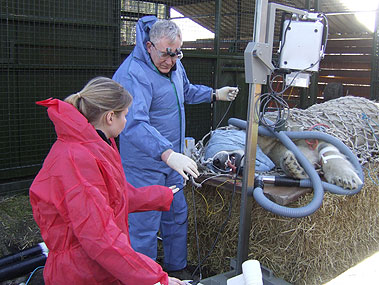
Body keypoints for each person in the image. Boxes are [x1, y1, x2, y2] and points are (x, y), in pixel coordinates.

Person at [112, 16, 239, 279]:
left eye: (176, 54)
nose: (170, 60)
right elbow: (134, 124)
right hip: (144, 165)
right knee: (144, 224)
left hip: (173, 161)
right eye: (166, 54)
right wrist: (167, 153)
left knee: (176, 214)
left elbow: (187, 91)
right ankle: (145, 279)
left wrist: (215, 93)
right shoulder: (133, 73)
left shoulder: (174, 67)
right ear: (149, 46)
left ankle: (176, 269)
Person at [29, 77, 185, 285]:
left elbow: (113, 196)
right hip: (82, 274)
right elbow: (99, 236)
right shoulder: (78, 159)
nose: (126, 122)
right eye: (125, 115)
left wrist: (162, 194)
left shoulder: (94, 145)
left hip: (97, 267)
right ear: (110, 117)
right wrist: (154, 278)